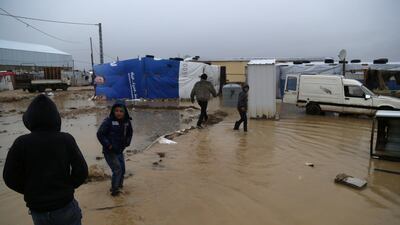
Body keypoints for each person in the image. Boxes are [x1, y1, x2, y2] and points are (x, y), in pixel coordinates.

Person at [3, 94, 88, 225]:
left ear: (29, 119)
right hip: (64, 205)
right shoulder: (65, 139)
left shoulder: (21, 143)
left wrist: (30, 191)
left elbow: (9, 177)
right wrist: (67, 187)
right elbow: (82, 171)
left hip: (38, 210)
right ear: (56, 118)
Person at [97, 100, 133, 196]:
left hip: (119, 150)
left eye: (121, 111)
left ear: (125, 112)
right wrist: (108, 145)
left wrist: (127, 143)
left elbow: (130, 133)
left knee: (122, 169)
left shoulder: (127, 122)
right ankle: (114, 190)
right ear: (113, 111)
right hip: (109, 151)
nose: (118, 113)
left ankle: (120, 186)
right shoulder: (108, 121)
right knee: (117, 169)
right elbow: (100, 134)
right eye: (116, 111)